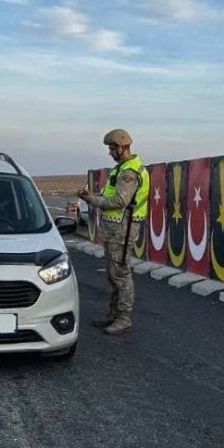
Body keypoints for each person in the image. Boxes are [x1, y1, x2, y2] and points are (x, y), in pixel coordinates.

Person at [77, 128, 150, 335]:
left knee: (120, 275)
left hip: (122, 230)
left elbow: (120, 201)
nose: (110, 153)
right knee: (113, 274)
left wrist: (93, 200)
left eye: (112, 149)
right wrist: (94, 196)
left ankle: (123, 318)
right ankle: (114, 314)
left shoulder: (128, 172)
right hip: (116, 229)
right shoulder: (122, 169)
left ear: (122, 147)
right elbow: (113, 195)